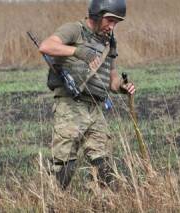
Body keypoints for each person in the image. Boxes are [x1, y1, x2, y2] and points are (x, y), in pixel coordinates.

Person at [39, 0, 135, 190]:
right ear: (97, 14)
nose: (112, 26)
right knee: (64, 166)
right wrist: (77, 51)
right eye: (110, 20)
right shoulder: (74, 29)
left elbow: (111, 77)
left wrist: (122, 87)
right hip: (70, 106)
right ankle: (52, 205)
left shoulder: (108, 41)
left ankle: (102, 205)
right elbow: (46, 46)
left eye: (116, 22)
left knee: (105, 166)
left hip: (95, 109)